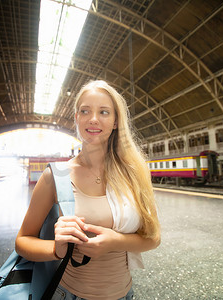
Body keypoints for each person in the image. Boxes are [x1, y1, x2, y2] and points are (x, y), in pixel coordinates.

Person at [15, 80, 161, 300]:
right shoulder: (56, 176)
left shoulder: (134, 174)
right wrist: (57, 249)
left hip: (124, 295)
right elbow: (23, 240)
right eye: (85, 111)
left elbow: (154, 238)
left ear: (115, 122)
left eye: (103, 112)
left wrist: (115, 242)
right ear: (77, 118)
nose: (93, 119)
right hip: (68, 294)